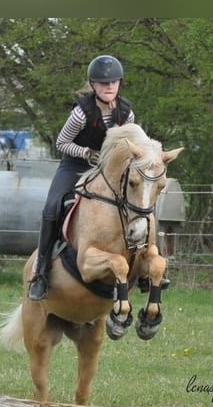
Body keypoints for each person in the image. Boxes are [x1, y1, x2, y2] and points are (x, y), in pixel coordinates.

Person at [27, 55, 135, 301]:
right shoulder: (81, 113)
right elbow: (62, 143)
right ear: (93, 85)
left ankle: (143, 266)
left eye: (113, 82)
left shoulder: (126, 113)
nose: (109, 87)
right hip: (75, 167)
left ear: (119, 84)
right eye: (103, 83)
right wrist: (87, 153)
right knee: (52, 207)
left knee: (138, 203)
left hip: (106, 171)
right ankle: (41, 272)